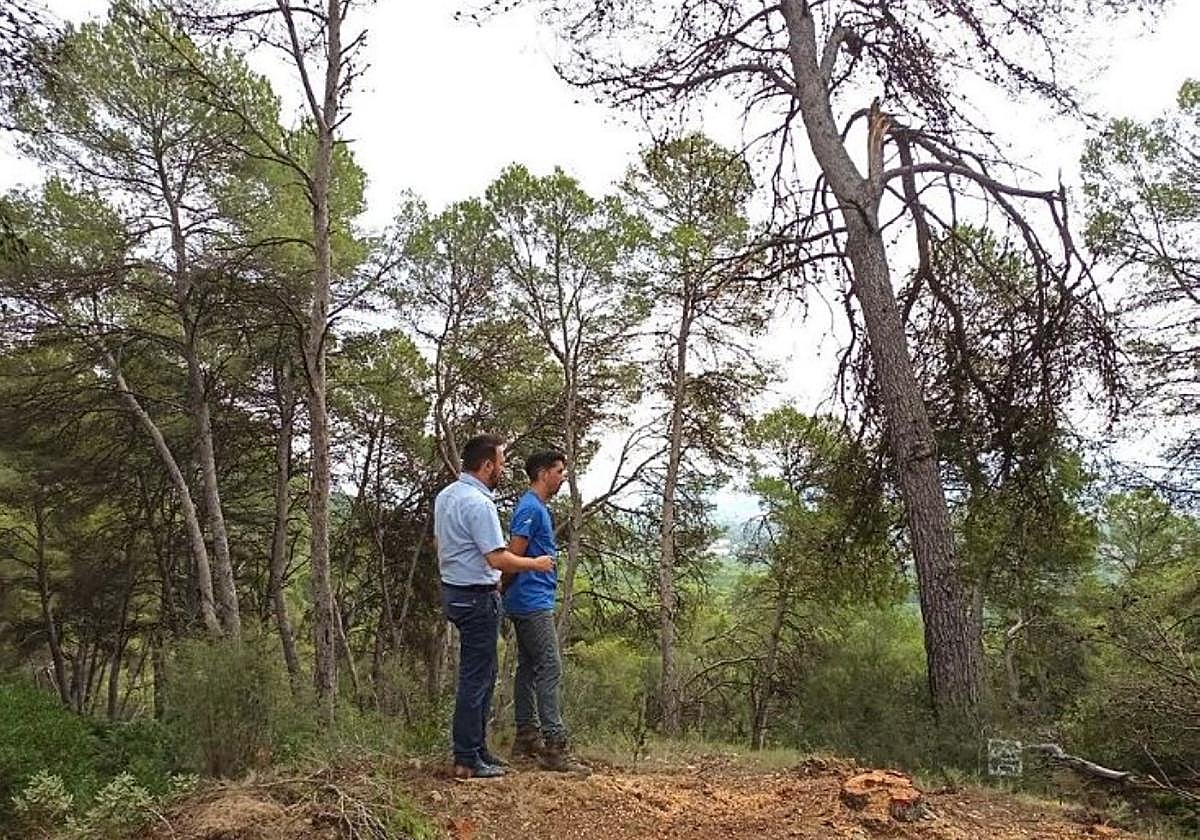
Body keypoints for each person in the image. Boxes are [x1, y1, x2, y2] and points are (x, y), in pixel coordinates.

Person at [435, 433, 553, 779]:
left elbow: (440, 542)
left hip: (455, 591)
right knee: (477, 678)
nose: (504, 468)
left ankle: (477, 749)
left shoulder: (447, 495)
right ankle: (467, 758)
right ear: (487, 465)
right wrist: (535, 564)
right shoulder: (479, 503)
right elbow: (497, 558)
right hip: (476, 596)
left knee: (482, 675)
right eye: (501, 462)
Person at [502, 450, 588, 773]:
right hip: (530, 601)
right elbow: (514, 554)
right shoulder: (530, 508)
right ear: (542, 473)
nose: (563, 477)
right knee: (550, 666)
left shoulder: (537, 507)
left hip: (531, 598)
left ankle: (526, 737)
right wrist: (502, 587)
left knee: (529, 666)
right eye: (559, 471)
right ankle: (554, 745)